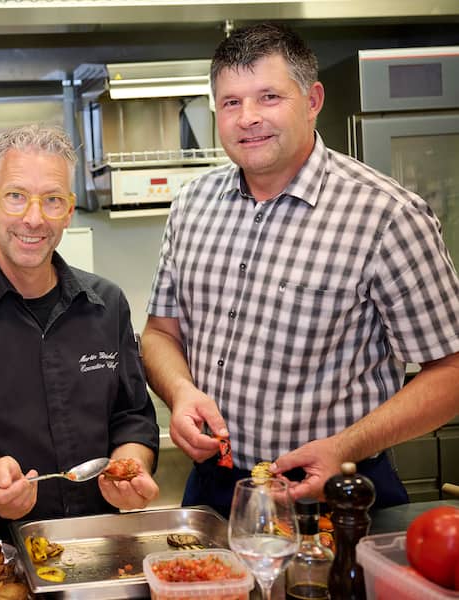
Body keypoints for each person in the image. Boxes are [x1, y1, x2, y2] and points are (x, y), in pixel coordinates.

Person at [141, 22, 459, 518]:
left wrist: (345, 446)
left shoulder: (387, 215)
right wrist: (181, 393)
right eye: (230, 102)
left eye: (269, 96)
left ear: (312, 100)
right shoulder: (191, 206)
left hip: (336, 492)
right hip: (213, 491)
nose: (248, 118)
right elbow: (160, 333)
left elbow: (451, 372)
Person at [0, 124, 160, 544]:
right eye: (16, 196)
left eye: (52, 200)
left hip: (99, 546)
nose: (34, 219)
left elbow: (132, 419)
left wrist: (130, 466)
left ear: (69, 210)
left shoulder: (107, 304)